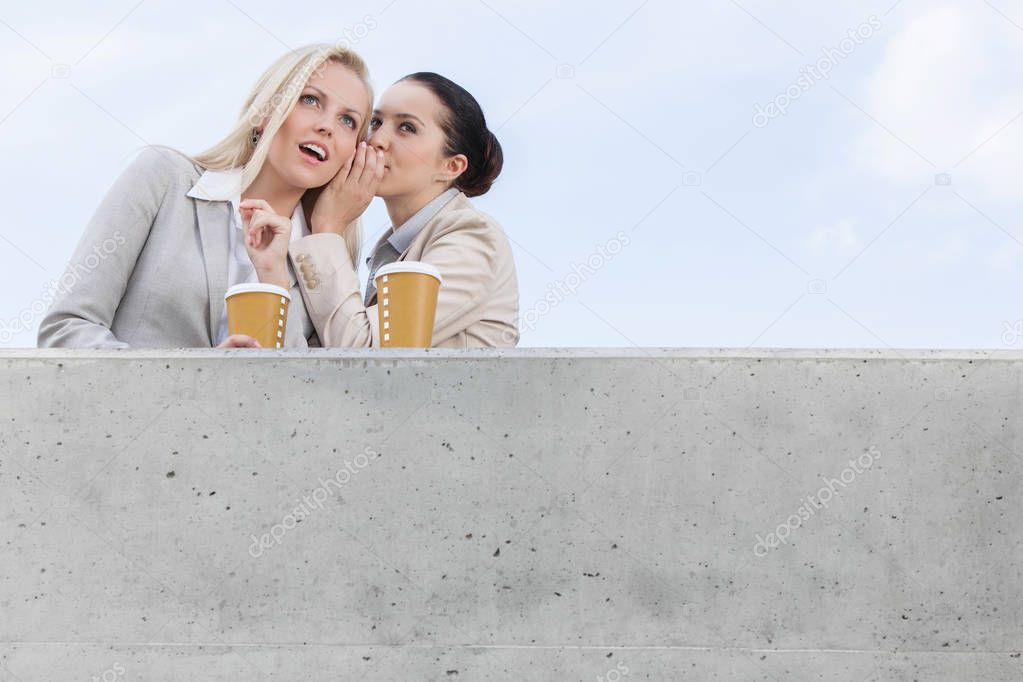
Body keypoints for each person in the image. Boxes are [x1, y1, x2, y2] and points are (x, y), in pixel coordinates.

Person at [37, 44, 374, 349]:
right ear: (264, 113)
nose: (327, 126)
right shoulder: (165, 179)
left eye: (348, 120)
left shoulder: (318, 262)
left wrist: (274, 278)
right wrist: (196, 380)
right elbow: (67, 328)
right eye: (311, 100)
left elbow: (307, 395)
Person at [246, 72, 519, 348]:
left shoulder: (471, 236)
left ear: (451, 166)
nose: (376, 140)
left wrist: (328, 227)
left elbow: (365, 354)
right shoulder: (397, 245)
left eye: (407, 128)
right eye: (376, 122)